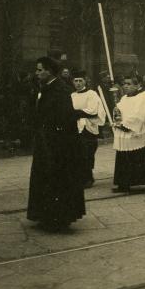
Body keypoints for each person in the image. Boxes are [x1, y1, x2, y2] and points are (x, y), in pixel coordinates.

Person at [27, 57, 85, 232]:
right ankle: (46, 215)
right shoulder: (46, 88)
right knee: (45, 177)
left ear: (49, 71)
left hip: (58, 144)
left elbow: (64, 117)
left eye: (39, 70)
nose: (36, 74)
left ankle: (58, 218)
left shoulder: (60, 90)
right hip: (46, 141)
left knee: (57, 178)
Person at [112, 76, 145, 193]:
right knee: (124, 158)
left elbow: (139, 115)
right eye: (124, 84)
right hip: (124, 130)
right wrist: (116, 116)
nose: (125, 86)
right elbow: (119, 112)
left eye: (128, 83)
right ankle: (124, 183)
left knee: (140, 157)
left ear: (137, 85)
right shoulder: (124, 98)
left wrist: (125, 125)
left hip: (138, 132)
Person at [71, 70, 106, 189]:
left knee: (87, 153)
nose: (78, 83)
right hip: (76, 128)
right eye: (76, 81)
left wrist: (77, 113)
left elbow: (93, 111)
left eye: (80, 80)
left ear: (85, 81)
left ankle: (88, 178)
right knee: (77, 153)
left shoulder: (91, 94)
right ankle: (81, 177)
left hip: (88, 127)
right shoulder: (72, 95)